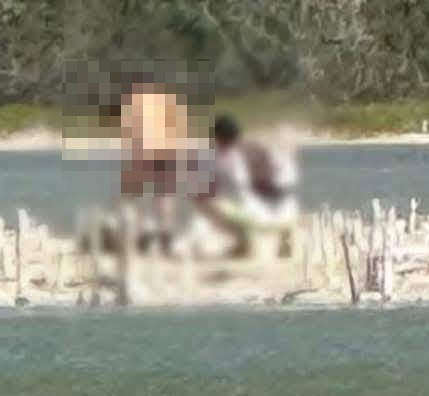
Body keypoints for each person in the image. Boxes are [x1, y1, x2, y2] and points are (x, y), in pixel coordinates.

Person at [192, 114, 299, 258]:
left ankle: (246, 243)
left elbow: (208, 190)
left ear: (216, 137)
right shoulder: (242, 154)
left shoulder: (218, 158)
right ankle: (250, 241)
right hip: (266, 210)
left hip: (247, 215)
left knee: (206, 202)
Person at [116, 74, 190, 252]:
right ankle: (166, 233)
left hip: (145, 152)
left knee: (131, 196)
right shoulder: (167, 102)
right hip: (167, 152)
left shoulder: (134, 105)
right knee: (164, 196)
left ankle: (138, 233)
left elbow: (132, 136)